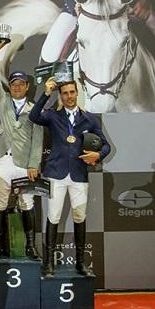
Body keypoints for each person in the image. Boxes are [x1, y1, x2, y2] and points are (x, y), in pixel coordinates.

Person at [29, 77, 111, 277]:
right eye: (65, 93)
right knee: (53, 217)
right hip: (56, 174)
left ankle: (80, 263)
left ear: (77, 93)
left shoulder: (90, 118)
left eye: (72, 92)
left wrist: (98, 155)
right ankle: (49, 264)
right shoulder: (52, 116)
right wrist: (46, 93)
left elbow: (106, 145)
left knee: (79, 217)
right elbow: (33, 116)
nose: (69, 96)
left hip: (79, 175)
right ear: (61, 96)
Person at [0, 41, 44, 260]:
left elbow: (38, 140)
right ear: (9, 86)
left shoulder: (34, 109)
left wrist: (34, 164)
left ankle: (31, 246)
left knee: (27, 203)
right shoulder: (2, 101)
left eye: (21, 84)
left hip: (23, 164)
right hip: (2, 160)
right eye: (13, 84)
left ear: (27, 86)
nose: (17, 87)